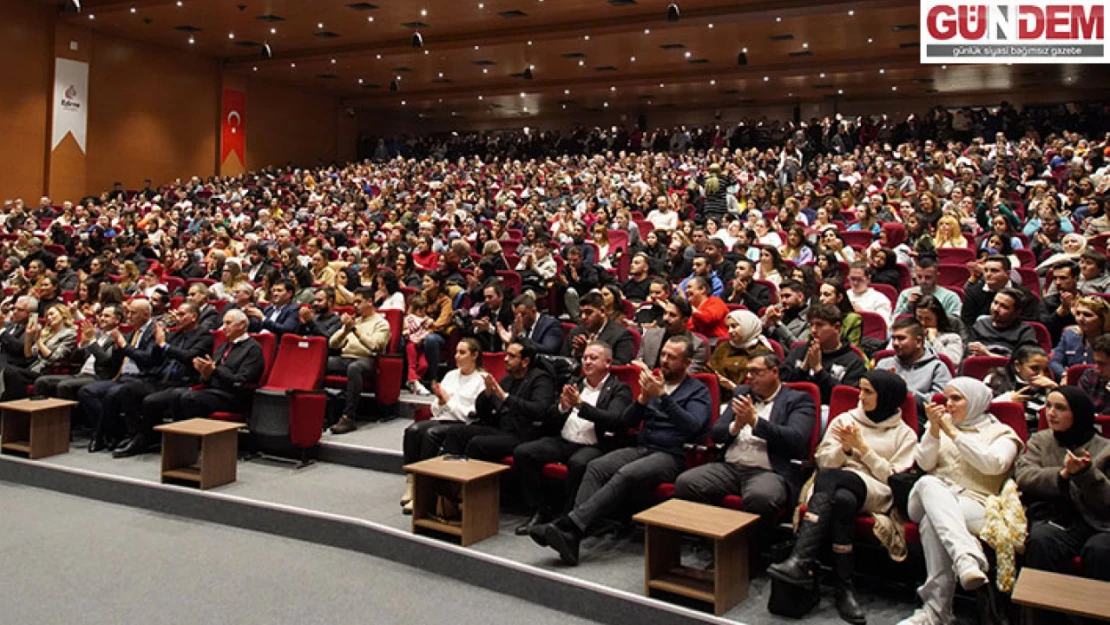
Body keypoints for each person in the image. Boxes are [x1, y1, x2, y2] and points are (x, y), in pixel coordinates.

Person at [530, 336, 711, 566]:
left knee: (627, 473)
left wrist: (663, 397)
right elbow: (627, 422)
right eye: (663, 355)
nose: (664, 361)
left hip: (671, 455)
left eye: (671, 357)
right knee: (597, 466)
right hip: (642, 447)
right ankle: (572, 535)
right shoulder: (654, 384)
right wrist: (643, 400)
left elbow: (694, 427)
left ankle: (569, 526)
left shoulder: (697, 391)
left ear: (686, 362)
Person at [769, 371, 916, 625]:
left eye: (868, 392)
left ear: (887, 397)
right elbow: (823, 461)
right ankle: (843, 586)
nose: (861, 396)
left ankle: (800, 559)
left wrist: (863, 450)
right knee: (842, 499)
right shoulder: (846, 419)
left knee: (832, 481)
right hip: (838, 488)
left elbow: (893, 478)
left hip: (876, 491)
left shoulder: (905, 434)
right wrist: (844, 449)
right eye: (861, 389)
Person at [897, 378, 1024, 625]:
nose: (949, 405)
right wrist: (934, 431)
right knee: (928, 483)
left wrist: (952, 433)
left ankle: (936, 612)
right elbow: (923, 464)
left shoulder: (1003, 434)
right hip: (925, 498)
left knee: (933, 523)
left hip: (975, 503)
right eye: (947, 399)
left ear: (975, 401)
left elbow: (994, 465)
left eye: (956, 399)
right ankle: (966, 556)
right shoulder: (940, 427)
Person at [676, 353, 816, 544]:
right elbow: (716, 433)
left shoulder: (798, 400)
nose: (749, 377)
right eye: (748, 372)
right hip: (730, 466)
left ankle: (751, 552)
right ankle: (717, 543)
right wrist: (736, 425)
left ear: (774, 372)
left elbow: (796, 438)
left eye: (755, 372)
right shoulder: (742, 393)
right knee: (687, 483)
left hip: (768, 471)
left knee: (761, 497)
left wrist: (756, 422)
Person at [512, 341, 633, 535]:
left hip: (594, 444)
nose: (587, 362)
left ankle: (567, 519)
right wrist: (563, 407)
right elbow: (550, 415)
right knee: (524, 452)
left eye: (593, 358)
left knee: (579, 463)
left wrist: (580, 405)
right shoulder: (575, 383)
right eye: (585, 358)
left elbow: (615, 420)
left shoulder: (619, 389)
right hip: (564, 440)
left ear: (608, 363)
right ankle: (541, 509)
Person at [1016, 387, 1110, 591]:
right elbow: (1024, 476)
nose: (1050, 413)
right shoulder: (1040, 440)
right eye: (1048, 406)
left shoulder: (1105, 448)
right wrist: (1063, 474)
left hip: (1100, 522)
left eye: (1060, 408)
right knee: (1041, 540)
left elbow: (1107, 501)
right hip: (1057, 517)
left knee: (1099, 550)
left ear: (1078, 413)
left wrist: (1086, 474)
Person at [400, 338, 486, 514]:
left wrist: (447, 401)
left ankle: (422, 490)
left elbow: (468, 415)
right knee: (412, 431)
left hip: (462, 425)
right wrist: (440, 401)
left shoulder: (481, 380)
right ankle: (412, 480)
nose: (457, 356)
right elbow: (435, 409)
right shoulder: (450, 375)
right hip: (442, 418)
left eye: (462, 353)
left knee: (431, 434)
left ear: (475, 355)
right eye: (456, 352)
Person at [440, 337, 556, 461]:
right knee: (455, 432)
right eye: (506, 355)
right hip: (500, 429)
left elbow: (539, 409)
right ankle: (448, 476)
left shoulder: (541, 379)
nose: (505, 359)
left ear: (525, 361)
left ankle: (473, 479)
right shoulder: (507, 380)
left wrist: (506, 397)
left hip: (523, 434)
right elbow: (484, 413)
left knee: (477, 443)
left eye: (511, 356)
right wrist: (487, 394)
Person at [79, 299, 159, 452]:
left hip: (144, 379)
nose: (128, 316)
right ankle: (112, 432)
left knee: (113, 393)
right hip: (122, 377)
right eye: (128, 312)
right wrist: (117, 348)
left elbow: (148, 360)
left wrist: (124, 346)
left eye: (133, 313)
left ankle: (101, 435)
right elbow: (113, 363)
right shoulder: (130, 334)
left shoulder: (154, 333)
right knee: (87, 391)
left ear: (146, 314)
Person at [174, 309, 266, 420]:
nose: (224, 327)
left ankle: (196, 435)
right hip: (214, 391)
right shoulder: (223, 346)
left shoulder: (253, 348)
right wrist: (205, 373)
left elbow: (242, 380)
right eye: (223, 323)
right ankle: (179, 436)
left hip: (234, 396)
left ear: (242, 325)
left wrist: (215, 370)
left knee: (190, 399)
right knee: (176, 396)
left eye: (228, 323)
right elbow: (211, 375)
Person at [327, 287, 391, 434]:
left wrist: (354, 330)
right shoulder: (355, 320)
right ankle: (316, 408)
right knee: (322, 362)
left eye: (358, 302)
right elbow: (333, 344)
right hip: (345, 358)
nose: (355, 306)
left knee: (355, 368)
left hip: (368, 360)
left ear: (369, 302)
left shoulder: (381, 323)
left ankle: (348, 417)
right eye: (354, 302)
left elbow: (375, 346)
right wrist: (345, 330)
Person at [33, 305, 123, 406]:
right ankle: (40, 417)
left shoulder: (118, 338)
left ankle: (67, 420)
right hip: (80, 373)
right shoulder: (96, 334)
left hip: (98, 377)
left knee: (64, 386)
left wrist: (92, 341)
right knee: (42, 381)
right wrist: (82, 343)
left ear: (117, 320)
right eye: (101, 315)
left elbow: (105, 361)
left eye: (106, 316)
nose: (102, 318)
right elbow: (75, 359)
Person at [781, 304, 867, 404]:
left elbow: (846, 399)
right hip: (792, 405)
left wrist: (818, 370)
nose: (813, 330)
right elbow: (782, 385)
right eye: (811, 325)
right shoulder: (799, 351)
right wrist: (803, 368)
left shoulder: (854, 361)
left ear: (837, 327)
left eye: (819, 325)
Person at [875, 318, 952, 425]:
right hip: (882, 418)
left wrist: (905, 390)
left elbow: (939, 404)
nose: (896, 343)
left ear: (919, 342)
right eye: (893, 338)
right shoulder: (884, 364)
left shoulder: (937, 367)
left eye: (901, 338)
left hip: (919, 420)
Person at [2, 303, 78, 401]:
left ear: (63, 314)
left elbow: (55, 358)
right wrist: (29, 339)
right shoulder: (45, 333)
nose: (49, 317)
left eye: (52, 314)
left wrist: (38, 341)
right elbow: (29, 356)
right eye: (47, 316)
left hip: (48, 371)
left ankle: (15, 405)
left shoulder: (69, 334)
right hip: (33, 369)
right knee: (6, 369)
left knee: (10, 372)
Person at [986, 345, 1057, 432]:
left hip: (1035, 433)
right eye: (1034, 368)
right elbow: (980, 410)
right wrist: (1007, 400)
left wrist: (1055, 389)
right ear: (1017, 366)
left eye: (1045, 370)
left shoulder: (1049, 387)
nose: (1041, 374)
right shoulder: (994, 379)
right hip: (999, 431)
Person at [708, 309, 775, 394]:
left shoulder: (762, 352)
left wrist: (733, 387)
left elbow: (763, 386)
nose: (730, 331)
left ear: (747, 326)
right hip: (718, 395)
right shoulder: (723, 347)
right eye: (728, 327)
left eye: (734, 326)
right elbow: (710, 370)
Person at [636, 295, 708, 374]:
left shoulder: (698, 345)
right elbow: (638, 363)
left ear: (685, 320)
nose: (666, 318)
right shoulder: (649, 335)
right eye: (665, 313)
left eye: (672, 315)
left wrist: (650, 374)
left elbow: (687, 375)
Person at [561, 291, 635, 365]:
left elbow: (621, 366)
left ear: (602, 312)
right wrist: (575, 353)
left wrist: (590, 351)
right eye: (581, 313)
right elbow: (562, 360)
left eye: (589, 312)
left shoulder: (621, 335)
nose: (583, 317)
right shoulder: (576, 332)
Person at [962, 255, 1036, 326]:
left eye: (994, 271)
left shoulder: (1024, 295)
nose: (988, 274)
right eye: (985, 270)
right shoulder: (973, 292)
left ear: (1007, 274)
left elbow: (1029, 323)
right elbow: (967, 323)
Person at [967, 287, 1039, 358]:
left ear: (1017, 312)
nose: (996, 309)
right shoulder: (981, 324)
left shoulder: (1025, 331)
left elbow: (1023, 363)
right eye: (995, 303)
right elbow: (968, 353)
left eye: (1004, 307)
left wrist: (988, 354)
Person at [1050, 296, 1108, 378]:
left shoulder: (1108, 341)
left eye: (1087, 315)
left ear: (1102, 319)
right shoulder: (1069, 334)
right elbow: (1055, 362)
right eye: (1078, 314)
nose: (1080, 319)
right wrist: (1065, 375)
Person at [893, 257, 962, 319]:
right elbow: (894, 321)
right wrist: (908, 306)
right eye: (919, 277)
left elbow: (954, 324)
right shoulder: (905, 294)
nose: (923, 281)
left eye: (928, 277)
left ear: (937, 276)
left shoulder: (950, 297)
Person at [498, 292, 563, 356]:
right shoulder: (516, 325)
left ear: (533, 311)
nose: (517, 319)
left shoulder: (551, 325)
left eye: (523, 314)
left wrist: (521, 337)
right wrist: (508, 343)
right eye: (515, 315)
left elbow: (549, 350)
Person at [762, 280, 810, 346]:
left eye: (787, 296)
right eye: (781, 297)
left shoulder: (810, 318)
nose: (783, 300)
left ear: (800, 296)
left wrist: (779, 324)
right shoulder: (779, 307)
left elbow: (798, 346)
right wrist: (766, 325)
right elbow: (755, 329)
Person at [471, 283, 515, 353]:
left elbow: (509, 335)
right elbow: (472, 328)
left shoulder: (509, 310)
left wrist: (490, 328)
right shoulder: (484, 308)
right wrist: (478, 328)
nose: (486, 300)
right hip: (487, 348)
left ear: (500, 297)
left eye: (490, 297)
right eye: (485, 297)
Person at [846, 262, 893, 327]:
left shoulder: (880, 299)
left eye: (860, 279)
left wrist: (863, 314)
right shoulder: (843, 295)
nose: (855, 283)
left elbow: (884, 325)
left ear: (868, 279)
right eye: (852, 279)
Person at [403, 294, 433, 395]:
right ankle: (416, 384)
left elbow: (430, 330)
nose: (422, 312)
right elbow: (407, 330)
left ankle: (412, 381)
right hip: (411, 344)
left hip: (421, 345)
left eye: (424, 310)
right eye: (420, 310)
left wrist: (424, 335)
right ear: (415, 309)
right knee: (412, 364)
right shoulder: (409, 318)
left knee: (424, 365)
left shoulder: (427, 319)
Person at [818, 280, 863, 347]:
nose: (821, 298)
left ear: (839, 298)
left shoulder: (853, 319)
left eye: (826, 295)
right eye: (820, 294)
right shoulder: (817, 318)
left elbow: (852, 348)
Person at [685, 275, 729, 340]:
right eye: (686, 288)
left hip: (716, 343)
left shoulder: (715, 301)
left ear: (702, 289)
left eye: (689, 287)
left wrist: (690, 308)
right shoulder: (692, 308)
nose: (686, 291)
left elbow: (707, 319)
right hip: (696, 344)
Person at [1079, 335, 1110, 415]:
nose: (1097, 369)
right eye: (1095, 362)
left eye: (1102, 364)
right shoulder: (1089, 375)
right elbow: (1079, 409)